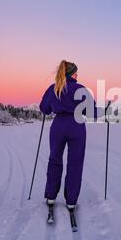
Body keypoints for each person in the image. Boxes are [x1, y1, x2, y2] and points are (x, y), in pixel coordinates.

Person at [39, 60, 102, 223]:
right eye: (76, 72)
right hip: (77, 126)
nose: (77, 75)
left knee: (54, 160)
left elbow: (44, 109)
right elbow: (92, 113)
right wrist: (103, 111)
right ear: (71, 73)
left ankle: (51, 197)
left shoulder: (53, 88)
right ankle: (71, 200)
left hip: (58, 126)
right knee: (75, 163)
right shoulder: (80, 89)